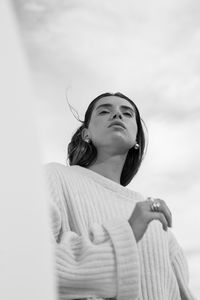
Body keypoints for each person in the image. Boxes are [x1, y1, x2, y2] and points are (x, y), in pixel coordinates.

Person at [44, 92, 195, 300]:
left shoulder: (155, 220)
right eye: (105, 111)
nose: (117, 115)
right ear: (86, 134)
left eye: (127, 113)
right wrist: (128, 232)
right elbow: (30, 262)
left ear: (136, 139)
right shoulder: (54, 177)